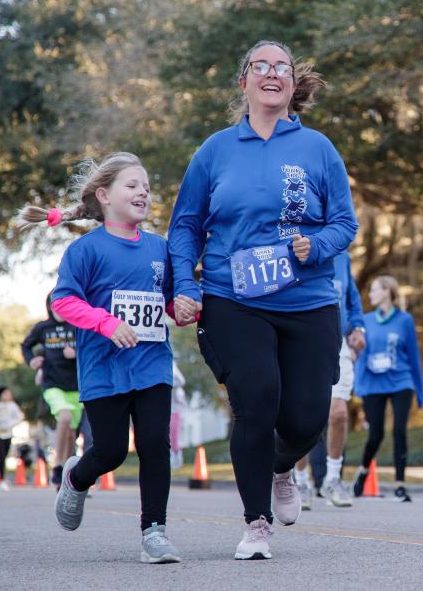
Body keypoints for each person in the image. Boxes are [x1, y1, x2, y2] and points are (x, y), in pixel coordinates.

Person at [168, 40, 358, 560]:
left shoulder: (318, 148)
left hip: (308, 297)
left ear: (293, 85)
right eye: (261, 66)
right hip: (234, 297)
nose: (272, 74)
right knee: (256, 401)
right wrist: (185, 286)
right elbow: (184, 227)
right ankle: (256, 524)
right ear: (243, 81)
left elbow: (345, 223)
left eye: (282, 68)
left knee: (306, 417)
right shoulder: (215, 150)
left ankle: (281, 466)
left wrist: (313, 245)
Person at [19, 152, 196, 564]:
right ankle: (76, 478)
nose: (143, 193)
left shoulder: (160, 248)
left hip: (152, 363)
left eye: (147, 188)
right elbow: (64, 302)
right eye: (132, 185)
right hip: (103, 367)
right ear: (104, 195)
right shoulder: (85, 251)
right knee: (112, 452)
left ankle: (155, 532)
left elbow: (169, 300)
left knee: (155, 444)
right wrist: (105, 323)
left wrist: (183, 308)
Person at [294, 249, 366, 509]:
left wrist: (357, 328)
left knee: (338, 414)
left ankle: (333, 479)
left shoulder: (342, 256)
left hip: (337, 343)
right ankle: (300, 481)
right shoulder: (296, 247)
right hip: (302, 341)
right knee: (301, 416)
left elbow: (352, 300)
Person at [351, 276, 423, 502]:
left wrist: (419, 390)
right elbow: (360, 358)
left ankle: (400, 484)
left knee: (399, 430)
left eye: (373, 290)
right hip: (374, 383)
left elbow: (413, 355)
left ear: (386, 291)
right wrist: (359, 386)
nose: (370, 295)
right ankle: (363, 472)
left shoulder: (405, 320)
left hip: (401, 381)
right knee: (376, 434)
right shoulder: (365, 321)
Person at [21, 296, 81, 487]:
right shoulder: (42, 328)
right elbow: (25, 346)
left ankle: (68, 474)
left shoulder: (78, 325)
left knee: (72, 433)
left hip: (77, 387)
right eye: (55, 302)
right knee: (64, 418)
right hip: (52, 384)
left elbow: (93, 348)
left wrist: (77, 352)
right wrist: (32, 360)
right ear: (49, 305)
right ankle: (57, 466)